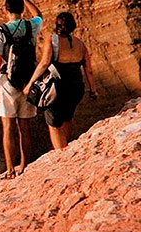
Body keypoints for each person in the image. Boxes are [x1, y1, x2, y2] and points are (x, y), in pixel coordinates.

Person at [0, 0, 42, 177]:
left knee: (8, 126)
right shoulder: (31, 26)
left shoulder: (1, 31)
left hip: (7, 83)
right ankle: (24, 166)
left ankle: (10, 169)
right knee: (25, 127)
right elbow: (39, 14)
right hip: (28, 81)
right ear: (22, 9)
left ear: (6, 10)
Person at [25, 11, 98, 150]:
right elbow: (89, 70)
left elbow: (44, 63)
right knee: (67, 118)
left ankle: (61, 154)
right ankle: (65, 148)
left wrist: (30, 84)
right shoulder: (81, 44)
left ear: (57, 25)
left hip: (57, 86)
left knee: (53, 123)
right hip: (76, 86)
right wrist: (93, 90)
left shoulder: (52, 40)